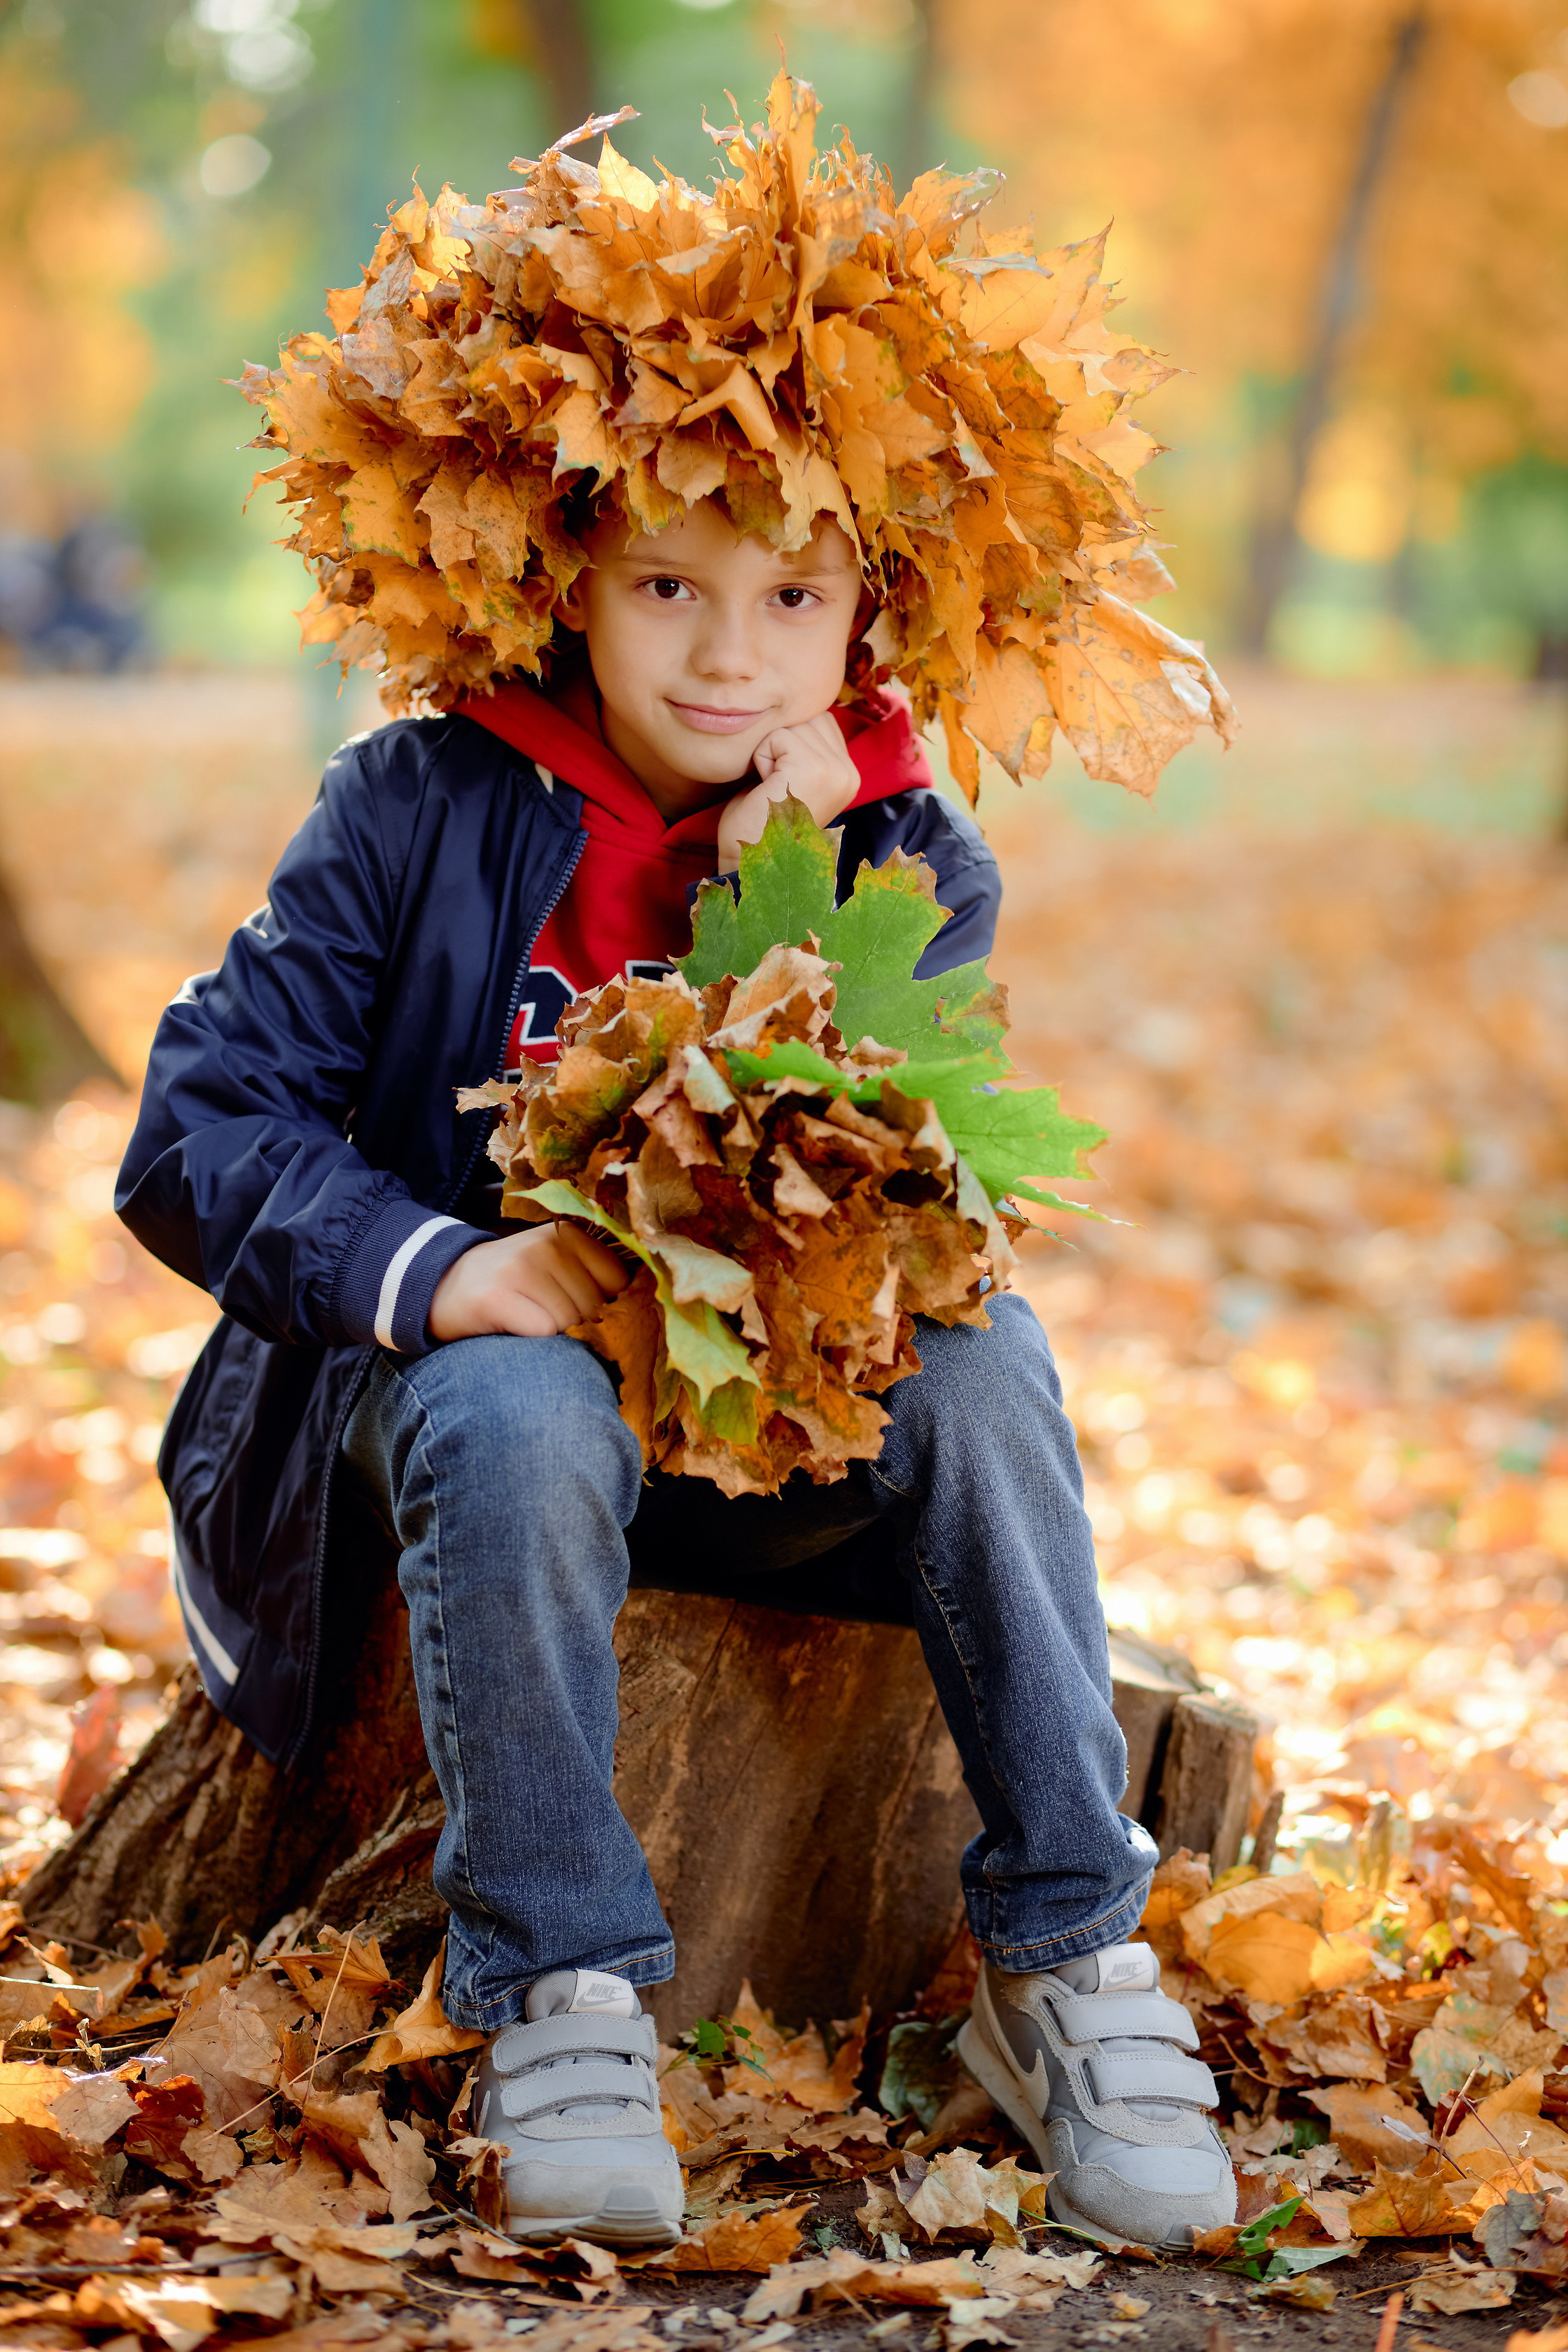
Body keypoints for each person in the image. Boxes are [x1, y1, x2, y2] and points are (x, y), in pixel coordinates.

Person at [115, 79, 1237, 2255]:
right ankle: (562, 1989)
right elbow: (193, 1125)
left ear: (869, 612)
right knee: (525, 1397)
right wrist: (441, 1266)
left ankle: (1074, 1961)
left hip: (766, 1430)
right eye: (667, 583)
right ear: (567, 576)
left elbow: (899, 1201)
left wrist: (797, 897)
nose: (730, 653)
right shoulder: (418, 808)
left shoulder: (912, 855)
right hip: (457, 1422)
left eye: (792, 593)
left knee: (990, 1373)